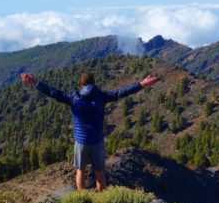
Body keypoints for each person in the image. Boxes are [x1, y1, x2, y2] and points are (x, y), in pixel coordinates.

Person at [20, 71, 159, 191]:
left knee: (80, 170)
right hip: (97, 141)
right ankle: (102, 198)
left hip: (81, 142)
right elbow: (121, 92)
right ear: (94, 83)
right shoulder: (102, 97)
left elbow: (53, 92)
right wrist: (141, 84)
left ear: (81, 84)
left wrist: (35, 82)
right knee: (99, 172)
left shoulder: (74, 99)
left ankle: (83, 197)